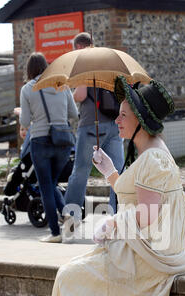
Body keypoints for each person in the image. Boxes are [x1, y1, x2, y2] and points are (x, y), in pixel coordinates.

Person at [37, 76, 185, 296]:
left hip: (151, 253)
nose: (117, 120)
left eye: (124, 114)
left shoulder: (153, 157)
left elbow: (149, 215)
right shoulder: (146, 152)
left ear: (141, 120)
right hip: (144, 243)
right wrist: (110, 171)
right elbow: (136, 199)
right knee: (71, 275)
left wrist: (111, 225)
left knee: (68, 277)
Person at [63, 32, 125, 239]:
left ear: (79, 48)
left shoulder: (84, 65)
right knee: (117, 172)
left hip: (91, 126)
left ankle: (71, 220)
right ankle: (117, 217)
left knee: (80, 172)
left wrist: (70, 96)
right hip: (113, 125)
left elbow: (80, 95)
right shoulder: (107, 63)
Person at [19, 52, 79, 243]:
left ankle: (55, 233)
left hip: (41, 141)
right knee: (51, 183)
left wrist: (23, 113)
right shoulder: (62, 84)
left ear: (29, 69)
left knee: (45, 186)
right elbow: (73, 114)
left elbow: (25, 121)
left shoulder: (28, 89)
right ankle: (66, 214)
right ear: (46, 66)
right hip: (63, 141)